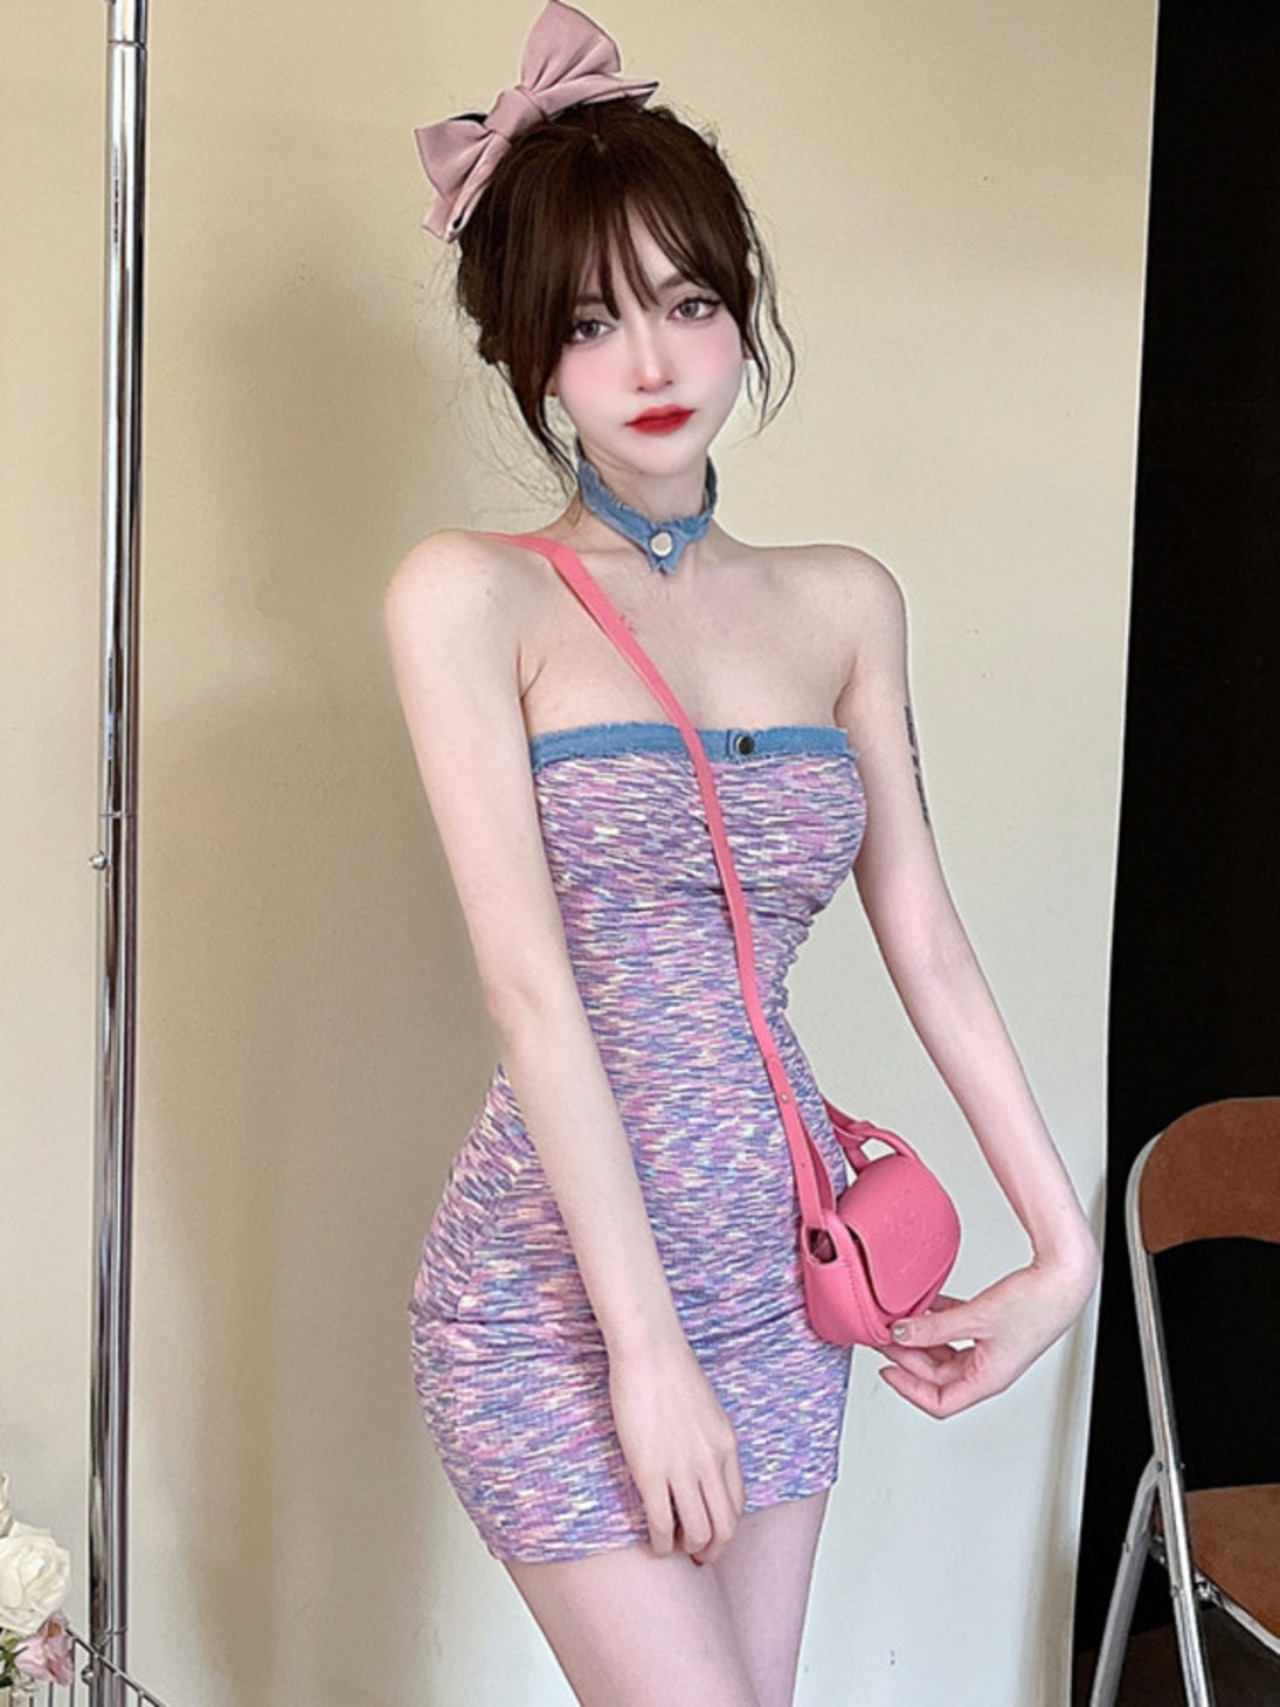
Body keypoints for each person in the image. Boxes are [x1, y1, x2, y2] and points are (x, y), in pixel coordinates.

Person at [384, 5, 1099, 1703]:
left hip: (781, 1273)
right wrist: (642, 1355)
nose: (652, 361)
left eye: (689, 301)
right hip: (558, 1297)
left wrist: (1060, 1251)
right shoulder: (470, 598)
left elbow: (927, 942)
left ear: (742, 307)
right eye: (591, 320)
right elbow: (531, 994)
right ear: (528, 356)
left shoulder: (844, 604)